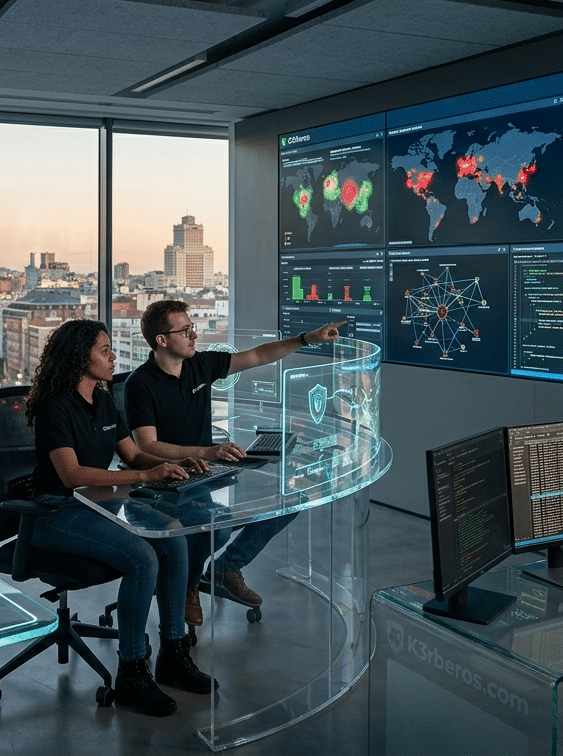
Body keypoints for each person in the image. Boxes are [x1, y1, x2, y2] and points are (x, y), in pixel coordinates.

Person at [25, 318, 215, 717]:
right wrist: (145, 476)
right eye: (104, 350)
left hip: (100, 507)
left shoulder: (105, 400)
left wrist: (175, 463)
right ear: (80, 358)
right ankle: (131, 671)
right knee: (142, 557)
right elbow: (72, 476)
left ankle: (174, 653)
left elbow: (133, 455)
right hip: (56, 513)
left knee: (174, 540)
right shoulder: (55, 407)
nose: (113, 357)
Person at [124, 299, 344, 621]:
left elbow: (258, 356)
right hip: (168, 480)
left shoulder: (200, 364)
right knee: (219, 526)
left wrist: (306, 339)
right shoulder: (139, 384)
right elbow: (148, 445)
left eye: (192, 328)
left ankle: (225, 568)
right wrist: (205, 452)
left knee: (289, 500)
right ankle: (189, 585)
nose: (194, 335)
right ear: (162, 340)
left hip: (207, 471)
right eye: (185, 331)